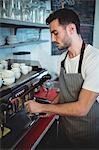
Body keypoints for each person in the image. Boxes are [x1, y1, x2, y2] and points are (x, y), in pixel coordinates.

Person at [25, 8, 99, 148]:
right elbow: (65, 92)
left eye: (55, 33)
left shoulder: (94, 59)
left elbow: (82, 109)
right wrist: (51, 107)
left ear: (71, 29)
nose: (53, 39)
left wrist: (42, 106)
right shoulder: (63, 59)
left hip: (88, 139)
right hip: (65, 133)